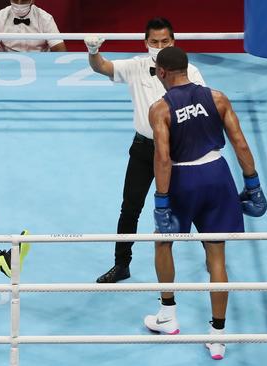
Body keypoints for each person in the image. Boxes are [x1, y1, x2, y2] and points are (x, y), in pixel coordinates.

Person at [144, 46, 267, 360]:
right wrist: (252, 183)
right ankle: (217, 335)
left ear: (162, 72)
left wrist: (161, 200)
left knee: (163, 244)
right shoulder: (218, 97)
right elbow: (239, 141)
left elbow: (162, 158)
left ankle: (167, 315)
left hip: (183, 181)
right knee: (216, 255)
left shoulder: (160, 108)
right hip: (217, 175)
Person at [85, 17, 205, 283]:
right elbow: (102, 67)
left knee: (193, 207)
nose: (159, 46)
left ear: (173, 42)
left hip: (177, 151)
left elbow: (201, 111)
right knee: (130, 208)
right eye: (154, 42)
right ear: (145, 42)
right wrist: (93, 52)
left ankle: (212, 258)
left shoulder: (191, 71)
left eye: (164, 41)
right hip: (143, 148)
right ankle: (121, 264)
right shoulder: (136, 66)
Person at [0, 0, 66, 52]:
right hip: (8, 63)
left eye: (23, 0)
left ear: (32, 1)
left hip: (39, 63)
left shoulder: (45, 18)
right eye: (15, 0)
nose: (19, 3)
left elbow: (60, 49)